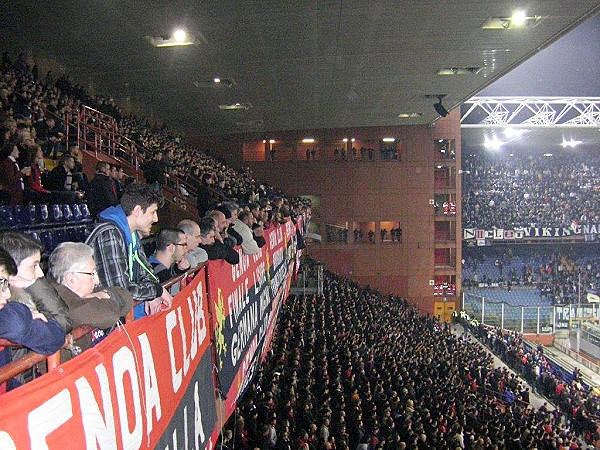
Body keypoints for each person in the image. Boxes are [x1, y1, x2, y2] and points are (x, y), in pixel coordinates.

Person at [85, 183, 172, 319]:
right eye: (153, 212)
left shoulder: (131, 234)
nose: (156, 219)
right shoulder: (109, 235)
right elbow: (121, 291)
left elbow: (146, 270)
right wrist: (155, 291)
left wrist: (154, 291)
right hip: (103, 318)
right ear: (137, 211)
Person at [0, 247, 65, 393]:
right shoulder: (12, 315)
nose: (7, 294)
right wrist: (23, 313)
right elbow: (15, 323)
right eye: (2, 282)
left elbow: (55, 337)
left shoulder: (8, 313)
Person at [47, 242, 133, 330]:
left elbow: (126, 296)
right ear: (71, 279)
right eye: (92, 274)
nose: (97, 281)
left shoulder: (83, 288)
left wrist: (106, 294)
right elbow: (109, 315)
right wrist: (106, 300)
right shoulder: (56, 301)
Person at [0, 231, 72, 333]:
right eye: (34, 266)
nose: (41, 273)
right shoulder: (8, 308)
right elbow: (61, 326)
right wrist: (34, 286)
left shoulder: (33, 292)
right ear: (12, 268)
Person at [148, 227, 190, 294]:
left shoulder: (153, 264)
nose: (186, 250)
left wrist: (179, 269)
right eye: (184, 245)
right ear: (171, 247)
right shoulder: (158, 274)